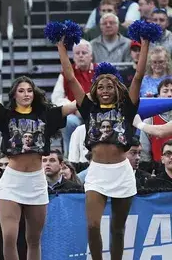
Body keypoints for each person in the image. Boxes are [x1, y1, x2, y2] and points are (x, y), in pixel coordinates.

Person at [0, 61, 76, 259]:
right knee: (9, 237)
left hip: (36, 182)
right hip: (12, 182)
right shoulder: (6, 115)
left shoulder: (46, 114)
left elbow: (78, 103)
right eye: (21, 90)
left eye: (29, 90)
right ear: (14, 94)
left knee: (33, 239)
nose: (26, 94)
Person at [57, 35, 149, 260]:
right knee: (92, 225)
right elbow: (70, 77)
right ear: (94, 90)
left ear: (117, 88)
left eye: (109, 86)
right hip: (97, 173)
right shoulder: (88, 109)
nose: (105, 90)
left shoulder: (127, 107)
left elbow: (138, 76)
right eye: (101, 87)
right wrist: (61, 46)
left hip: (122, 173)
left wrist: (146, 43)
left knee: (118, 230)